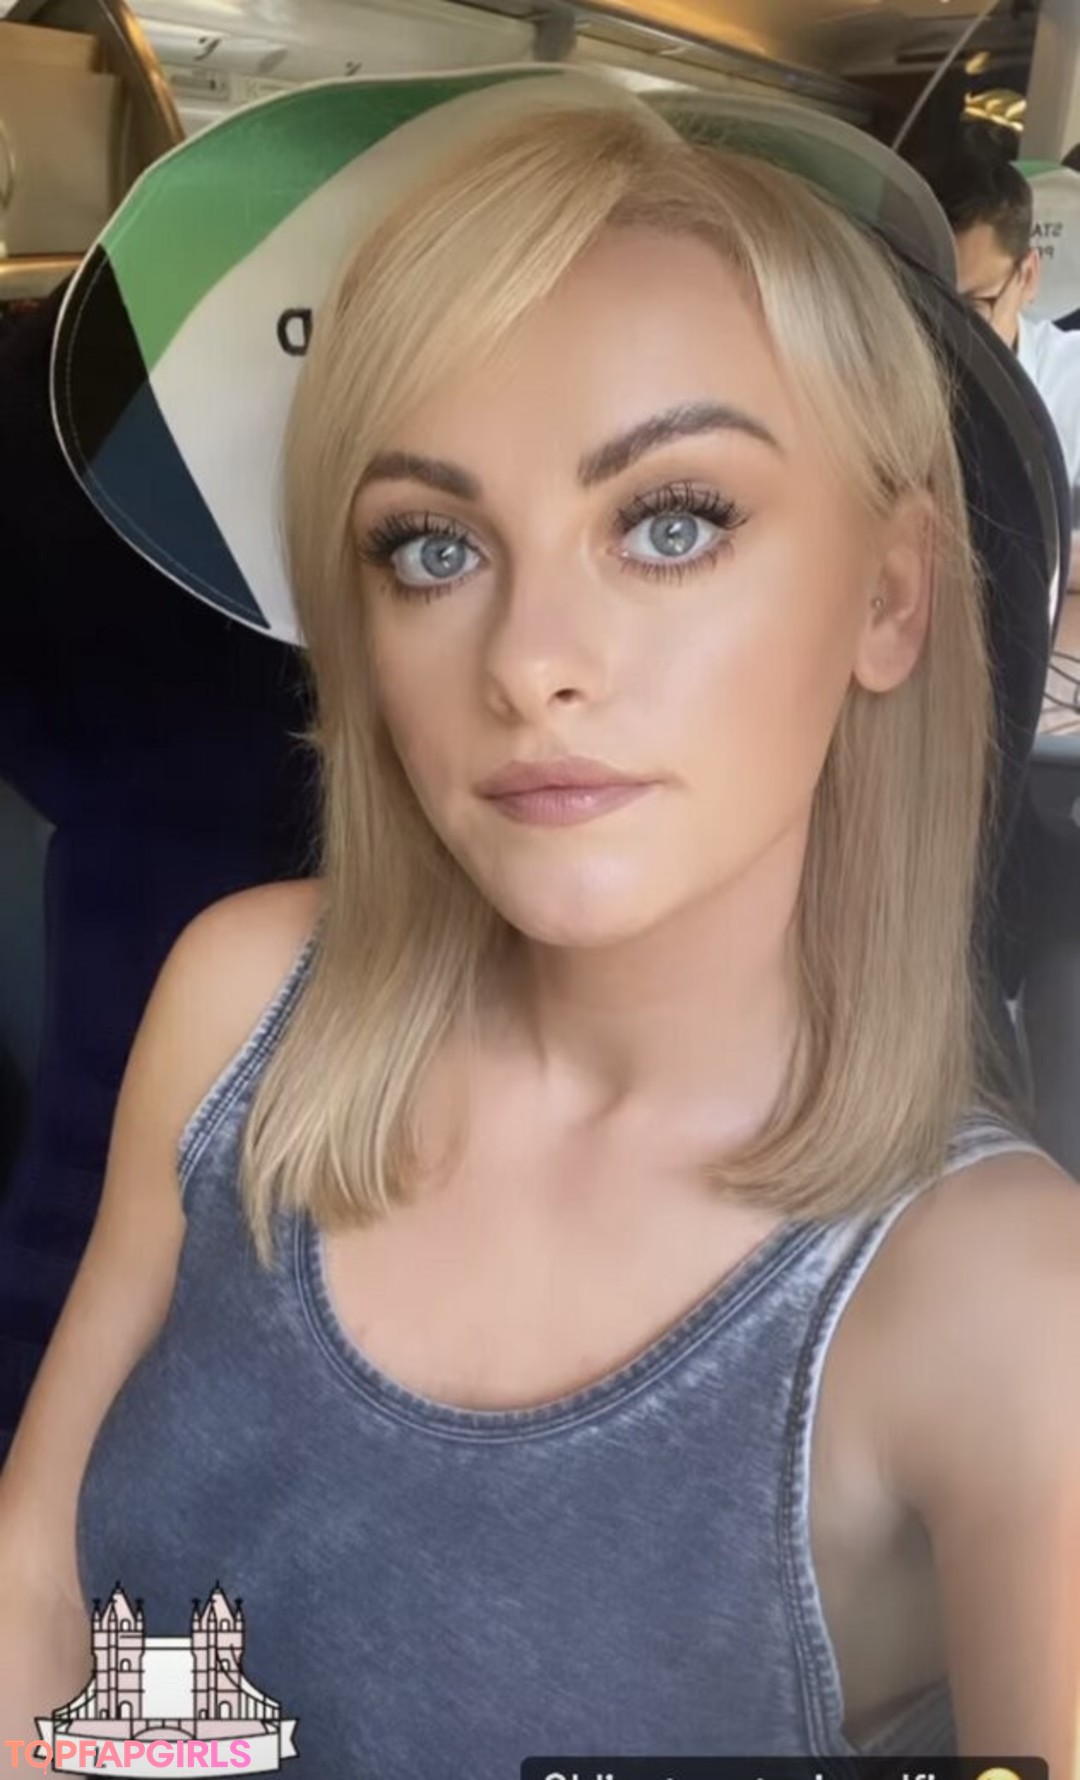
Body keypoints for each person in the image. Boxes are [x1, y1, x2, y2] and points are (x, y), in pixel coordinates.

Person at [1, 71, 1078, 1775]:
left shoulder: (1000, 1309)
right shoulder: (245, 1001)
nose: (528, 662)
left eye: (671, 523)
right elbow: (34, 1576)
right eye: (432, 548)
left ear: (890, 594)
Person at [935, 153, 1080, 588]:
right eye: (930, 302)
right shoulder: (874, 368)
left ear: (1028, 276)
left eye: (974, 309)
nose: (946, 334)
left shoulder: (1070, 380)